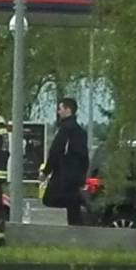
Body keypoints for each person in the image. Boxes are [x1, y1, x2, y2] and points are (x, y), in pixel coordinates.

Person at [40, 95, 91, 224]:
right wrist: (83, 175)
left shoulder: (65, 129)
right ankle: (75, 229)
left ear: (68, 110)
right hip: (76, 175)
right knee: (72, 208)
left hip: (63, 173)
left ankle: (65, 227)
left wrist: (46, 171)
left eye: (60, 109)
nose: (58, 112)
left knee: (50, 199)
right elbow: (84, 156)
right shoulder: (81, 132)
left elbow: (55, 151)